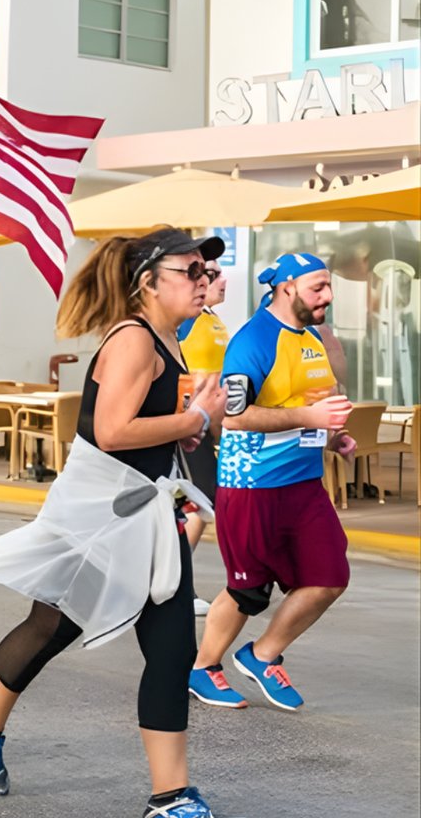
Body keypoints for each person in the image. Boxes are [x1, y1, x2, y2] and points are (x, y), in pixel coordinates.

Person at [0, 227, 227, 818]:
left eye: (206, 273)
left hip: (148, 512)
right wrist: (193, 420)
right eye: (191, 271)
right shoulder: (133, 340)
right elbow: (112, 432)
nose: (203, 282)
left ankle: (171, 796)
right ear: (147, 282)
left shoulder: (170, 337)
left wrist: (199, 418)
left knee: (172, 648)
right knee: (51, 628)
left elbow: (165, 424)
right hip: (98, 512)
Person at [188, 253, 352, 715]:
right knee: (248, 589)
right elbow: (235, 417)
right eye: (318, 287)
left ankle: (261, 655)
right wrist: (308, 418)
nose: (328, 296)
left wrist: (333, 434)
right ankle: (203, 668)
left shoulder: (313, 339)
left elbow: (313, 401)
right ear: (287, 288)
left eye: (328, 286)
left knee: (329, 577)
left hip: (303, 483)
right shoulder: (253, 340)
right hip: (253, 485)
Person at [176, 261, 230, 613]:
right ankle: (178, 585)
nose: (221, 280)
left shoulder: (214, 320)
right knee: (200, 501)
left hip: (209, 425)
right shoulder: (187, 321)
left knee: (190, 504)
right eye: (211, 275)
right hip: (189, 424)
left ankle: (171, 581)